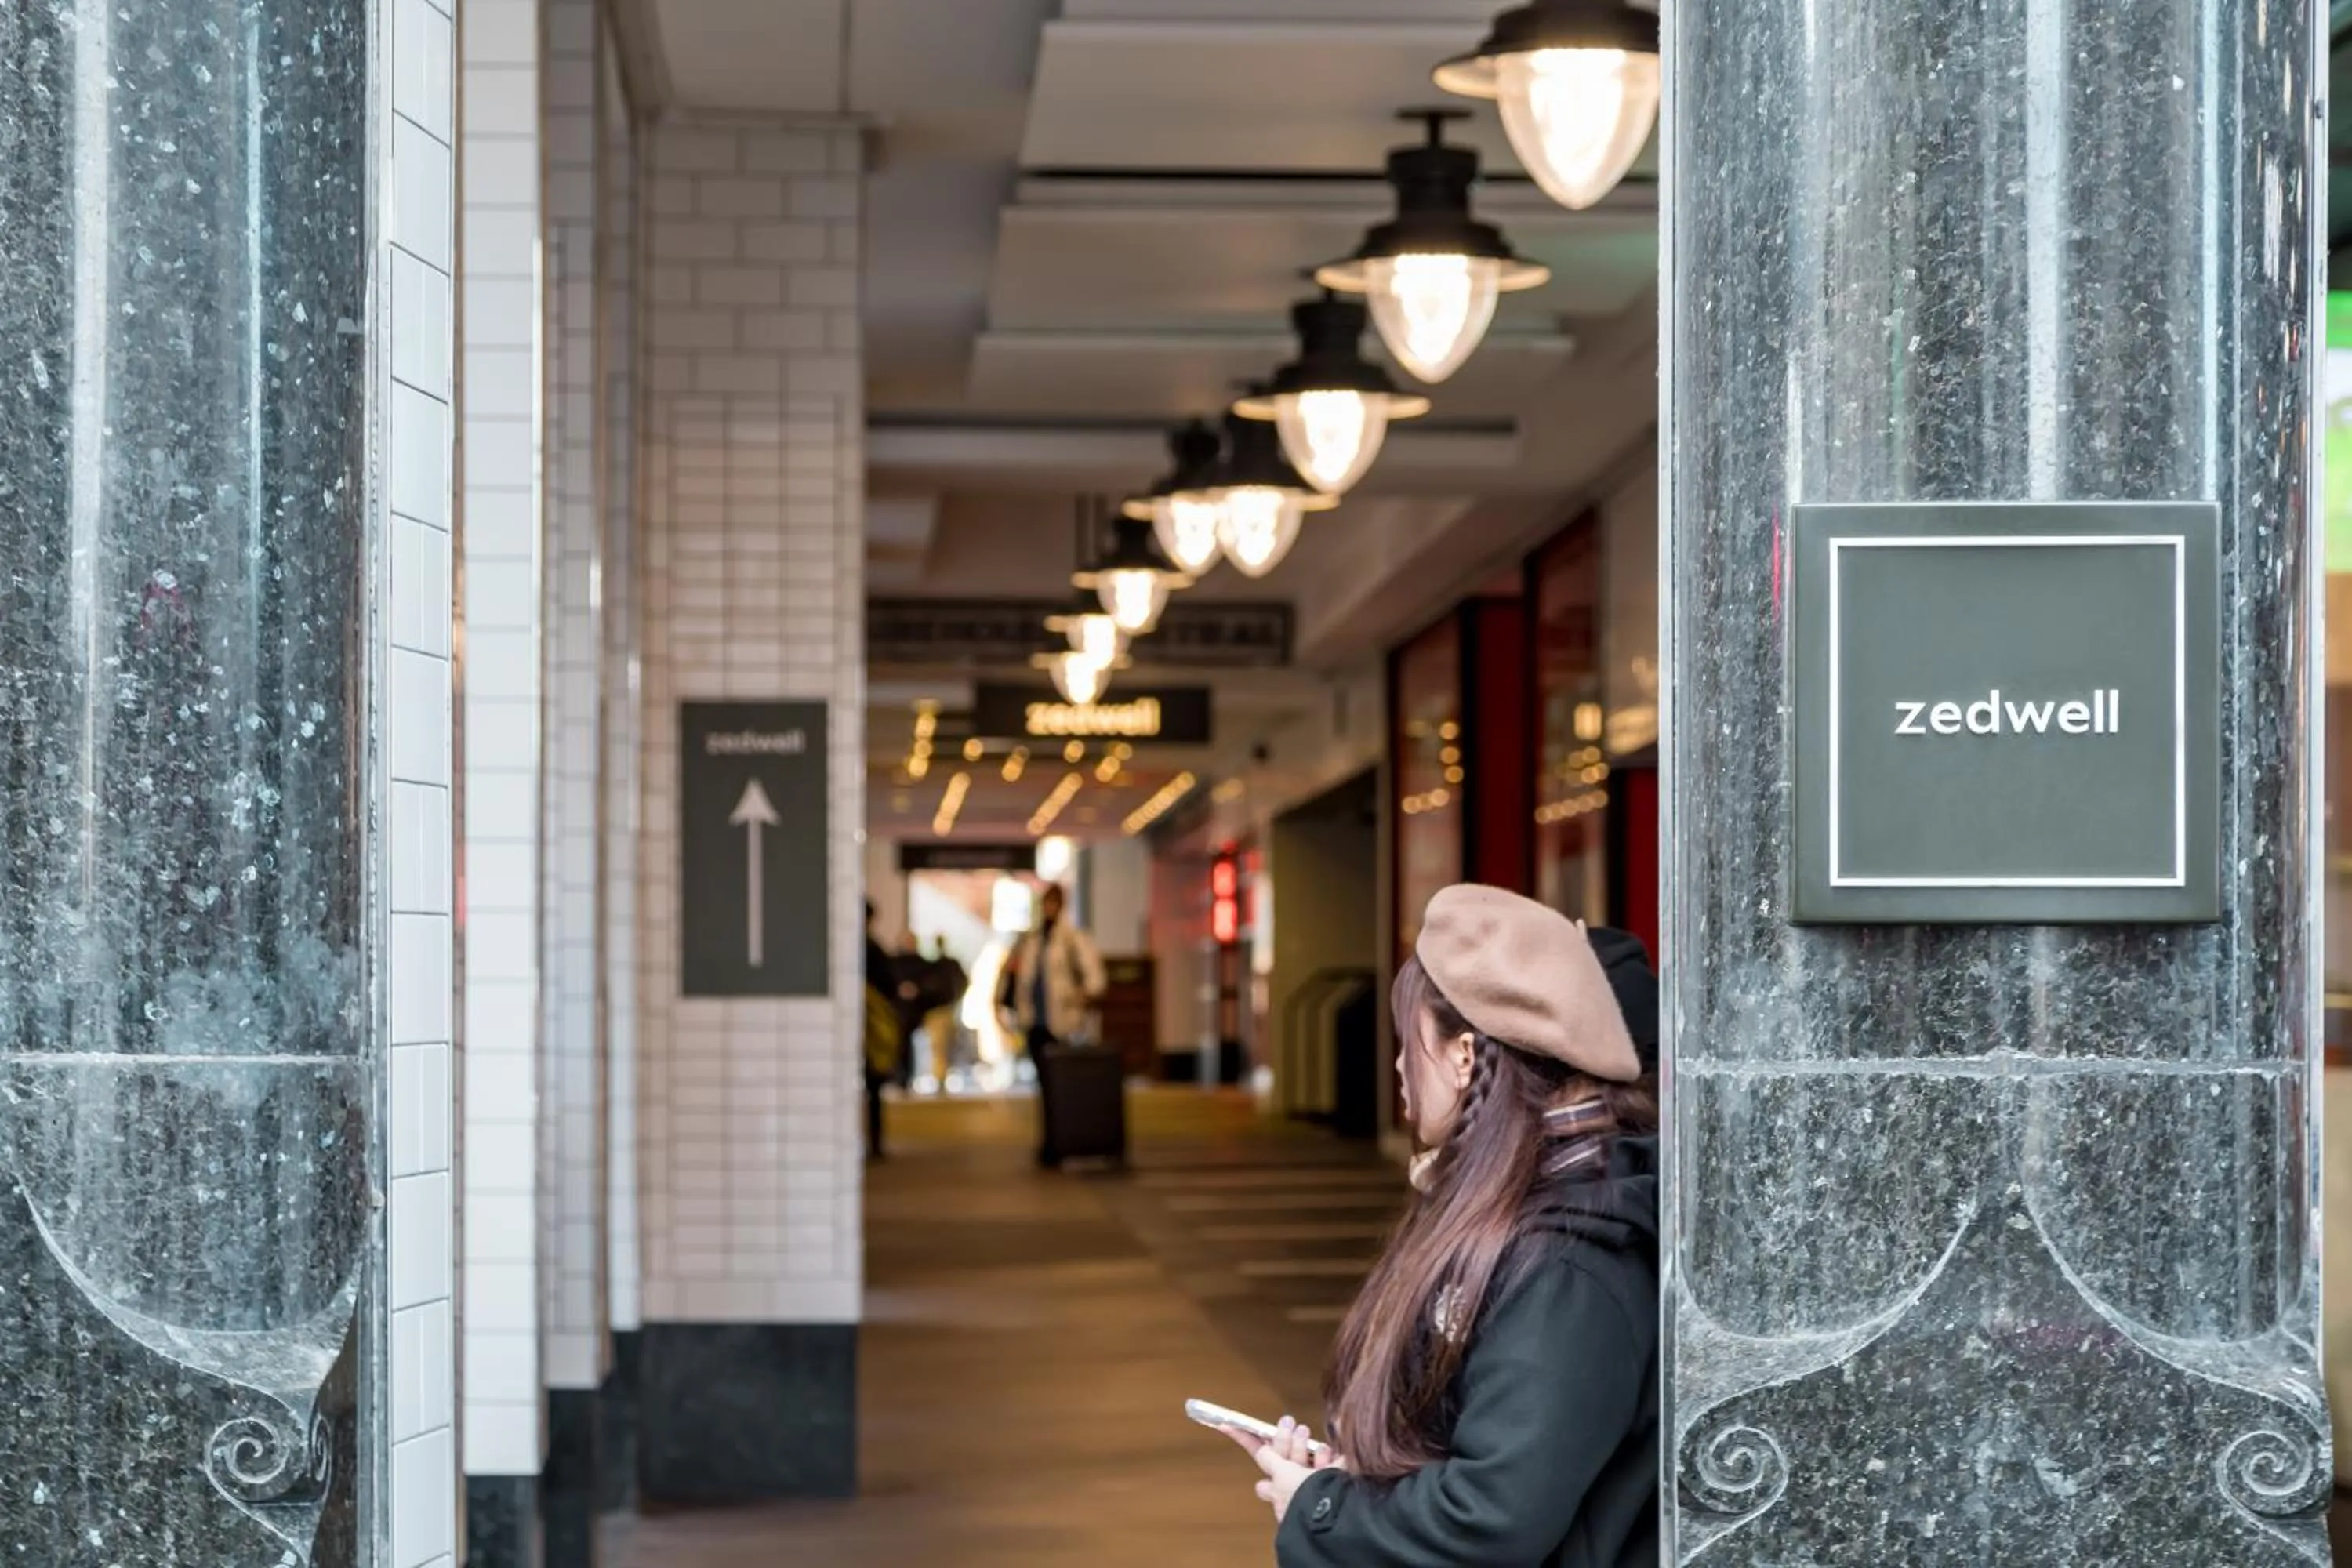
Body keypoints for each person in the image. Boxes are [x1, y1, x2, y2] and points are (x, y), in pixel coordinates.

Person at [1225, 884, 1659, 1567]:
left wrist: (1326, 1507)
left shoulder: (1568, 1261)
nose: (1399, 1067)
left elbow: (1493, 1517)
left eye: (1409, 1042)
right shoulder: (1538, 1216)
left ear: (1463, 1056)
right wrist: (1342, 1483)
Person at [1000, 884, 1105, 1071]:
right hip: (1034, 1018)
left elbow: (1095, 979)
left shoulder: (1072, 938)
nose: (1049, 907)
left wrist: (1076, 996)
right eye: (1046, 903)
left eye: (1053, 903)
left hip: (1063, 1019)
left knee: (1061, 1073)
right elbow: (1019, 977)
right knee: (1041, 1070)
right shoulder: (1031, 940)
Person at [861, 900, 903, 1161]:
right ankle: (875, 1142)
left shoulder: (845, 947)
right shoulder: (872, 950)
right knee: (874, 1088)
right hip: (871, 1029)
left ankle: (871, 1142)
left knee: (870, 1087)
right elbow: (891, 987)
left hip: (863, 1028)